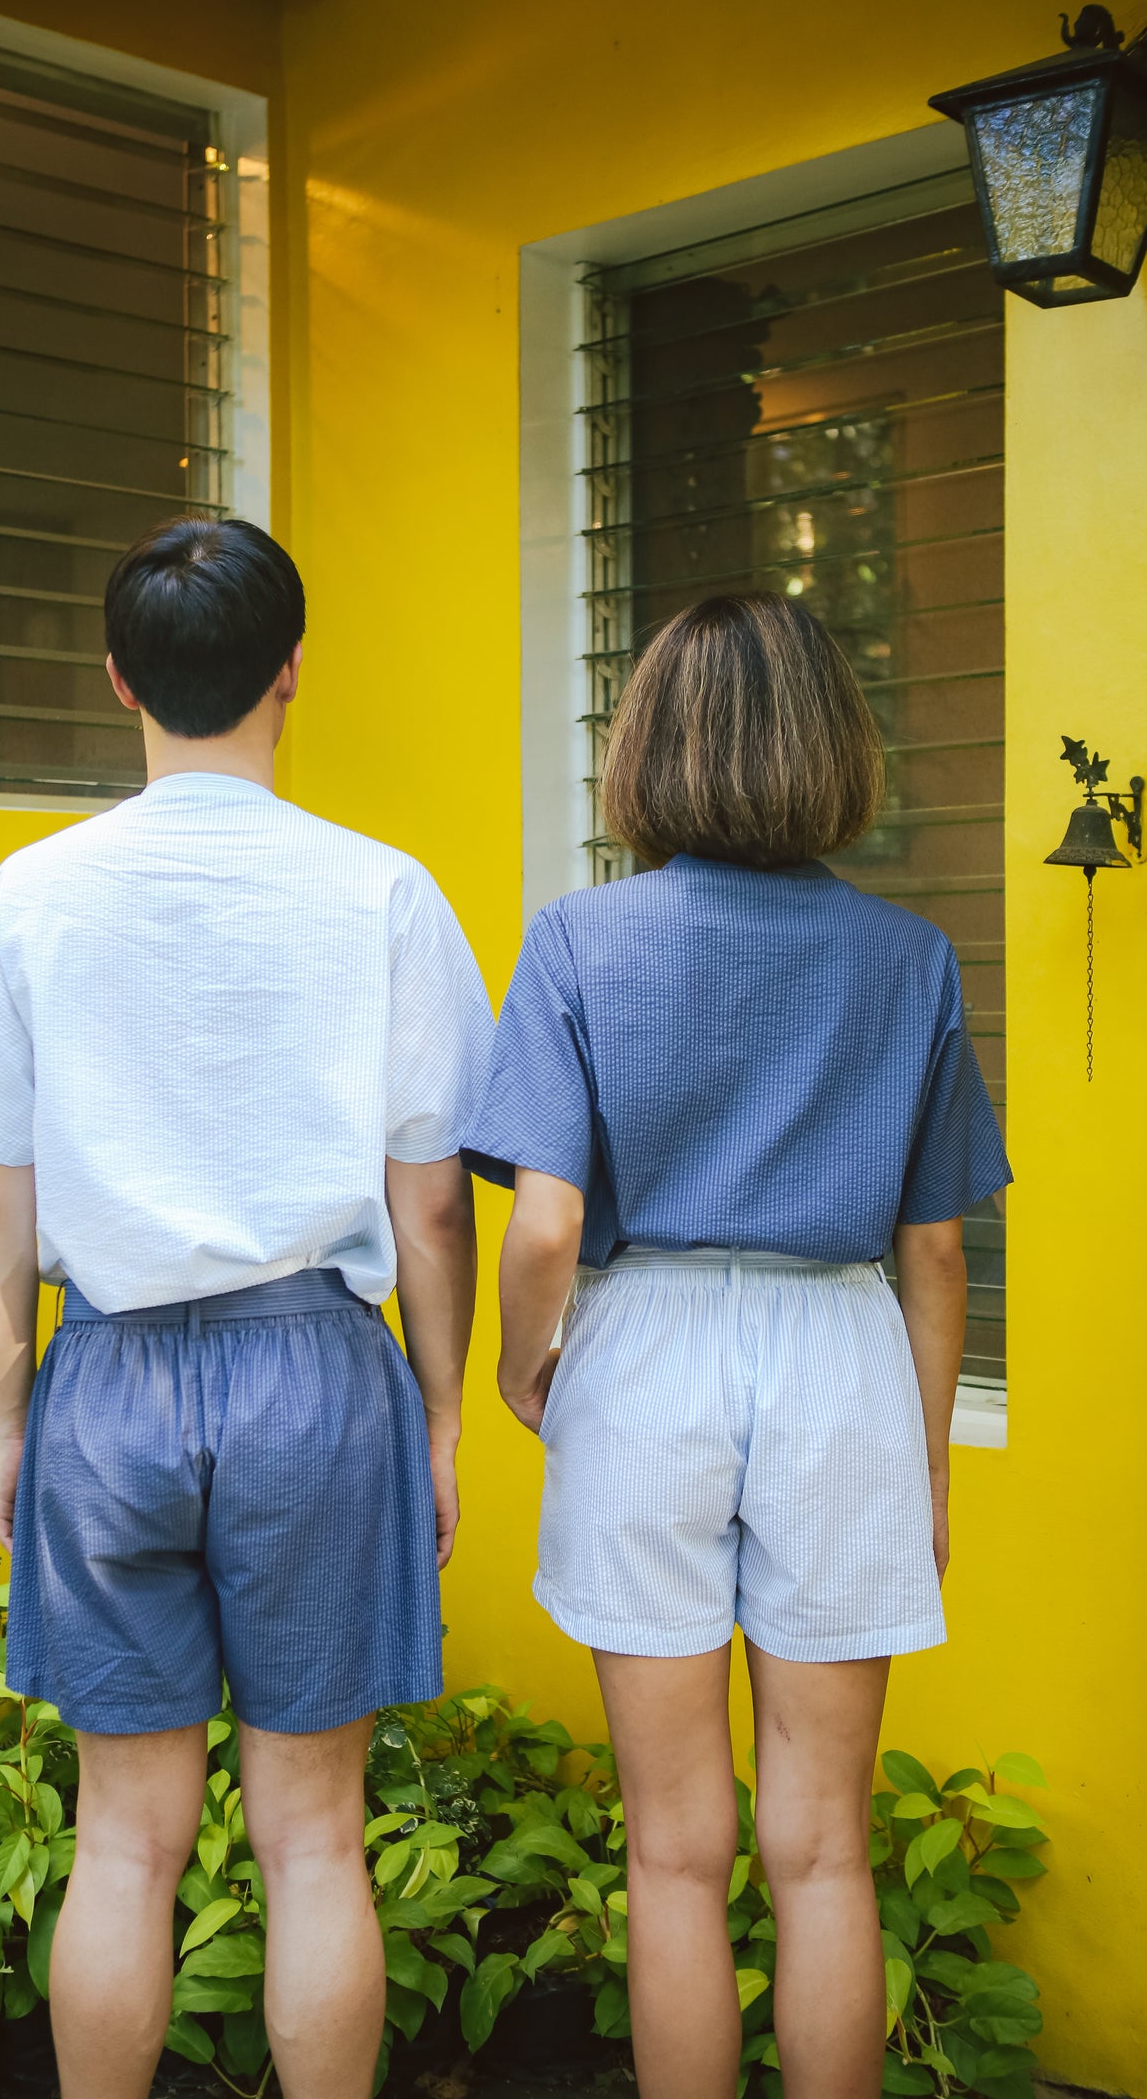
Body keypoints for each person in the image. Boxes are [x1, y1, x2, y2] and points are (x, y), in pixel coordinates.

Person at [0, 516, 494, 2099]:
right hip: (316, 1369)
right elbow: (430, 1194)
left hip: (104, 1379)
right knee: (314, 1838)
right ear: (292, 673)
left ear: (122, 681)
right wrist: (441, 1412)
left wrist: (10, 1412)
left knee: (123, 1841)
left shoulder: (30, 893)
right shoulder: (382, 893)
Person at [462, 593, 1010, 2099]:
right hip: (840, 1355)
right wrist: (923, 1469)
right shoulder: (905, 958)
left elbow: (542, 1227)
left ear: (647, 745)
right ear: (833, 746)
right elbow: (936, 1247)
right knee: (823, 1846)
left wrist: (523, 1367)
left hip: (640, 1356)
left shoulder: (578, 940)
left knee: (673, 1849)